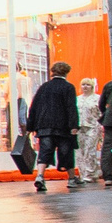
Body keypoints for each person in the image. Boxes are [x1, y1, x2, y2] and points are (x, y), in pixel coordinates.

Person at [26, 60, 82, 193]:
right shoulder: (68, 87)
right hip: (63, 126)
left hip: (44, 126)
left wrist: (30, 126)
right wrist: (73, 125)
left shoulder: (44, 87)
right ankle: (71, 179)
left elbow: (34, 106)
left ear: (53, 72)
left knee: (45, 151)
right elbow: (71, 107)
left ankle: (40, 176)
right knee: (66, 152)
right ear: (66, 73)